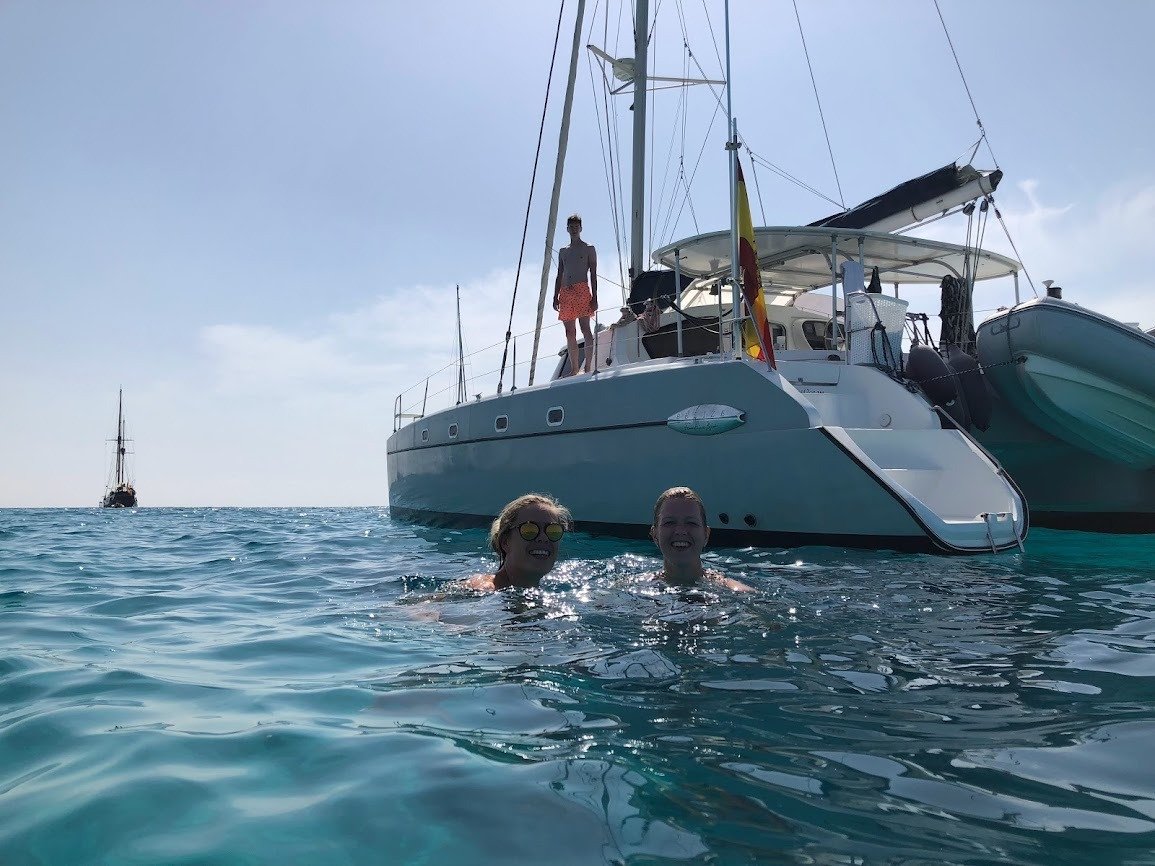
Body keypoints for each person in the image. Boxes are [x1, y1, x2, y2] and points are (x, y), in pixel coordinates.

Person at [648, 487, 753, 592]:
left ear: (706, 535)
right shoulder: (636, 587)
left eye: (691, 523)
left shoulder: (739, 593)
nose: (680, 531)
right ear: (655, 535)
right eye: (669, 522)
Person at [464, 493, 572, 591]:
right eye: (529, 530)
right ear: (506, 542)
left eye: (553, 531)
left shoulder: (553, 591)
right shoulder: (484, 589)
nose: (544, 537)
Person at [552, 214, 598, 376]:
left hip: (582, 290)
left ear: (581, 228)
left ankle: (588, 366)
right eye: (571, 227)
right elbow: (559, 274)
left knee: (585, 328)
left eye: (576, 227)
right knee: (569, 332)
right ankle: (574, 369)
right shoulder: (563, 251)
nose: (573, 229)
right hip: (565, 292)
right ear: (567, 229)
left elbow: (593, 273)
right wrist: (555, 295)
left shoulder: (588, 248)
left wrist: (595, 298)